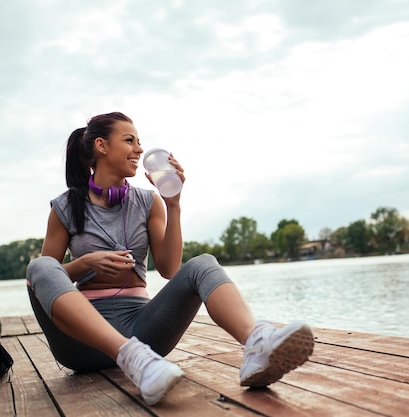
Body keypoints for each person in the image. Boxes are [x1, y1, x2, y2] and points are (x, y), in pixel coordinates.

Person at [26, 112, 314, 405]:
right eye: (130, 141)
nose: (139, 149)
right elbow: (44, 281)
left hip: (143, 329)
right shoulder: (64, 207)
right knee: (39, 266)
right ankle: (131, 357)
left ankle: (257, 343)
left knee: (203, 263)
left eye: (140, 142)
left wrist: (173, 205)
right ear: (101, 146)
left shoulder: (148, 201)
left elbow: (169, 269)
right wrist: (85, 264)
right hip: (81, 342)